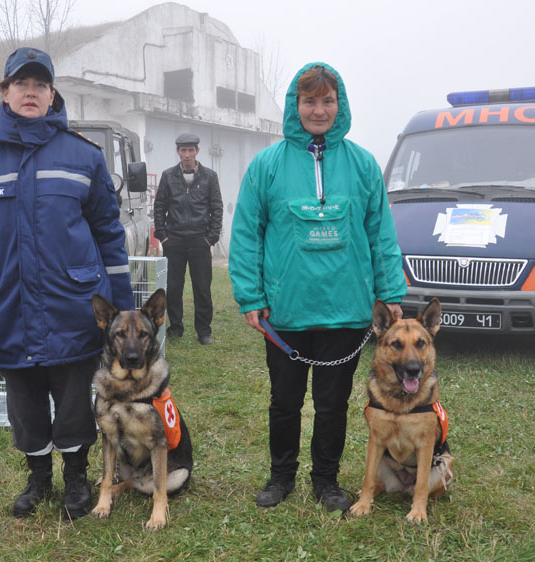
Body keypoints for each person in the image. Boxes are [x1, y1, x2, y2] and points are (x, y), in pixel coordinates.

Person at [0, 47, 134, 520]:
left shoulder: (84, 156)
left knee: (73, 400)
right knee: (24, 403)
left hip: (73, 304)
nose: (31, 92)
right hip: (4, 304)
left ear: (51, 94)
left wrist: (124, 309)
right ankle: (38, 478)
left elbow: (108, 234)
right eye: (21, 84)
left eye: (40, 85)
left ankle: (76, 478)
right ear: (5, 92)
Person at [228, 62, 407, 512]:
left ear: (339, 105)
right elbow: (247, 233)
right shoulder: (266, 166)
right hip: (285, 312)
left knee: (332, 405)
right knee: (284, 402)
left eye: (328, 101)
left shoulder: (363, 165)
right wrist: (251, 296)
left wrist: (389, 293)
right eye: (310, 101)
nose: (319, 110)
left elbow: (380, 234)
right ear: (296, 105)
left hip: (346, 312)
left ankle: (326, 480)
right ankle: (281, 477)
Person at [153, 133, 223, 345]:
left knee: (202, 288)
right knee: (173, 287)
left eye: (191, 150)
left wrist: (211, 238)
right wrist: (163, 236)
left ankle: (204, 332)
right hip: (173, 241)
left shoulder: (210, 176)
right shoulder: (168, 176)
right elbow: (159, 207)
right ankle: (176, 327)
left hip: (200, 241)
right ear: (178, 152)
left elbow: (217, 208)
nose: (187, 154)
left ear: (197, 151)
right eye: (183, 150)